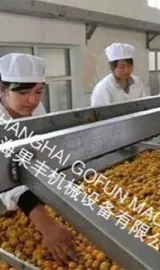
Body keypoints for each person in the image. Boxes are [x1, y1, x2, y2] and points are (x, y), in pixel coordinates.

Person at [0, 53, 77, 264]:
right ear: (3, 90)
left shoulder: (35, 109)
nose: (32, 100)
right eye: (23, 92)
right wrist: (46, 225)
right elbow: (4, 172)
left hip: (22, 199)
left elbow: (31, 157)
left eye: (39, 92)